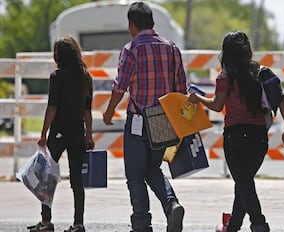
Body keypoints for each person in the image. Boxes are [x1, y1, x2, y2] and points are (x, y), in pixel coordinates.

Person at [189, 31, 284, 232]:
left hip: (235, 136)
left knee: (244, 183)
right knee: (243, 183)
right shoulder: (262, 73)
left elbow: (217, 105)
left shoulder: (226, 76)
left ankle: (259, 223)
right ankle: (233, 226)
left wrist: (198, 98)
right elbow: (282, 102)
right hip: (258, 137)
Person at [102, 2, 187, 232]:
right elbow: (181, 90)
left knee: (135, 174)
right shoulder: (172, 49)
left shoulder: (131, 49)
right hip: (164, 120)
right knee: (152, 169)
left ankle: (141, 224)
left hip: (139, 120)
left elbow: (120, 87)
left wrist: (109, 112)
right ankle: (172, 204)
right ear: (153, 23)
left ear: (132, 25)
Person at [28, 35, 94, 232]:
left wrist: (43, 133)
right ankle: (78, 223)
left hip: (58, 133)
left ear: (59, 56)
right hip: (77, 133)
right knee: (77, 181)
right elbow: (87, 112)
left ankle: (46, 222)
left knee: (47, 178)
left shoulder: (56, 77)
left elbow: (52, 108)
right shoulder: (86, 77)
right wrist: (89, 135)